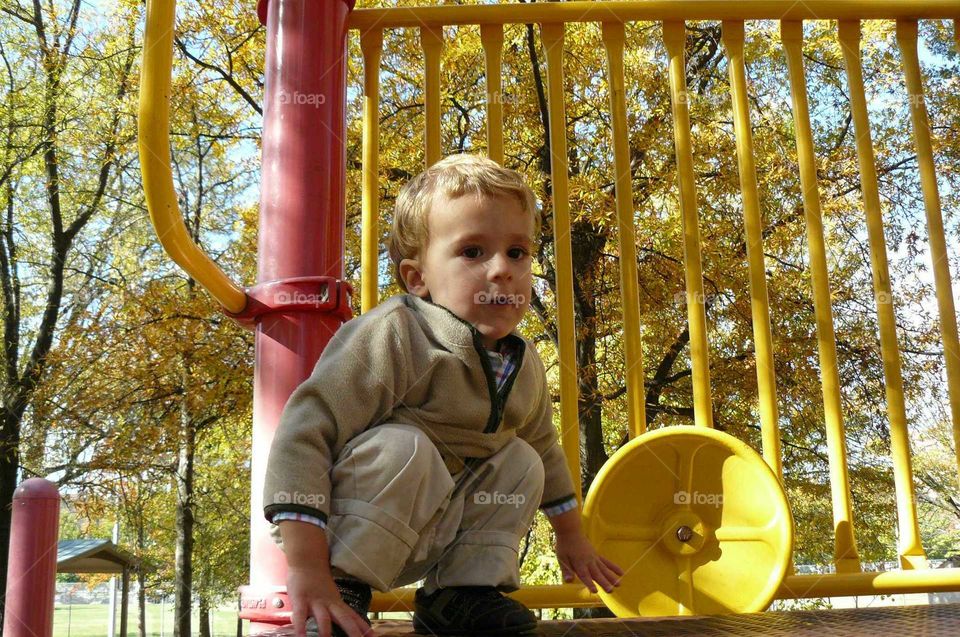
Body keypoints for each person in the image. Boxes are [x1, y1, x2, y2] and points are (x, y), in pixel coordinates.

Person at [262, 154, 624, 637]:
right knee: (405, 447)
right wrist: (308, 567)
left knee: (521, 459)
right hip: (354, 528)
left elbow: (547, 452)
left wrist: (571, 536)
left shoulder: (523, 363)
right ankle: (344, 588)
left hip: (441, 530)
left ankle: (460, 596)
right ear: (418, 278)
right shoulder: (392, 335)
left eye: (517, 252)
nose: (502, 270)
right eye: (473, 252)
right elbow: (305, 431)